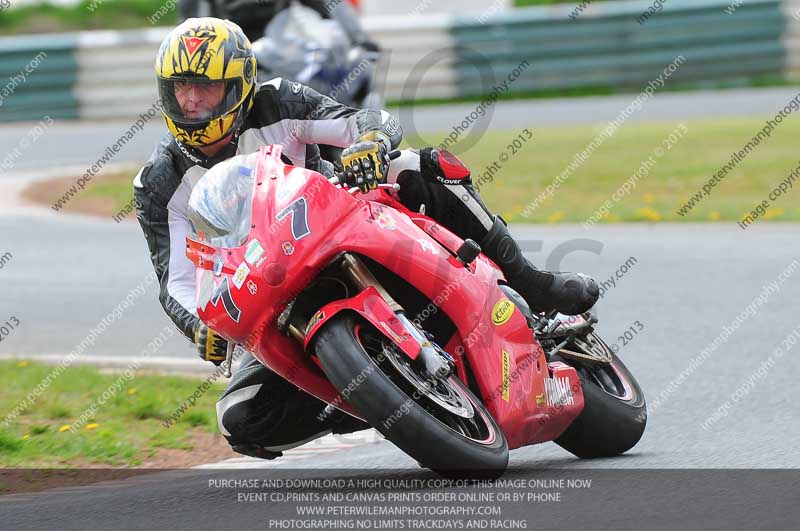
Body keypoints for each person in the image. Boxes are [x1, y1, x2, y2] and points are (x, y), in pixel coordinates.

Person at [134, 17, 599, 460]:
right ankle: (375, 396)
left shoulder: (277, 102)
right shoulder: (157, 183)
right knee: (242, 417)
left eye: (206, 87)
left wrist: (371, 142)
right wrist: (200, 326)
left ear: (239, 88)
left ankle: (531, 282)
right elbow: (174, 280)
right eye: (181, 88)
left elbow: (359, 119)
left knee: (416, 166)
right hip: (268, 292)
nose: (192, 101)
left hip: (336, 228)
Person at [178, 0, 375, 48]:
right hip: (226, 56)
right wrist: (189, 43)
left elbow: (329, 4)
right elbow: (190, 20)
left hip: (279, 55)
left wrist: (358, 37)